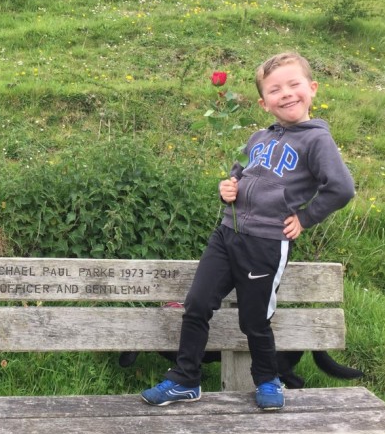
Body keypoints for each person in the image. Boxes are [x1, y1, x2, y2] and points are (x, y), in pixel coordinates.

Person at [141, 52, 355, 410]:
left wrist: (305, 218)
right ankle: (185, 379)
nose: (286, 94)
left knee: (254, 319)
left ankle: (268, 379)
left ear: (312, 88)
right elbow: (236, 174)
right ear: (264, 102)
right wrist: (228, 188)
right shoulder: (257, 138)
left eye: (294, 85)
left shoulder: (316, 141)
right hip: (227, 234)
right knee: (196, 304)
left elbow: (341, 188)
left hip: (267, 242)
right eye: (275, 90)